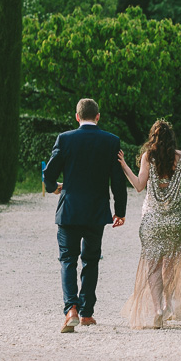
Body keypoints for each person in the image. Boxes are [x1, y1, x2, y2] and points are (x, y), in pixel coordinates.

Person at [44, 98, 127, 333]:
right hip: (96, 213)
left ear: (77, 117)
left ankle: (70, 308)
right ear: (98, 116)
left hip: (69, 211)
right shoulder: (111, 141)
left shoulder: (65, 139)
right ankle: (86, 313)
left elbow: (48, 173)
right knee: (91, 260)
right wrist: (119, 211)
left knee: (68, 259)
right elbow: (117, 182)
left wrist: (54, 187)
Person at [118, 120, 181, 329]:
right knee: (171, 263)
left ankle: (158, 309)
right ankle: (170, 305)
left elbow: (139, 186)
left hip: (151, 220)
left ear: (153, 137)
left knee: (153, 267)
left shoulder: (147, 157)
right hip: (176, 219)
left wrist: (124, 166)